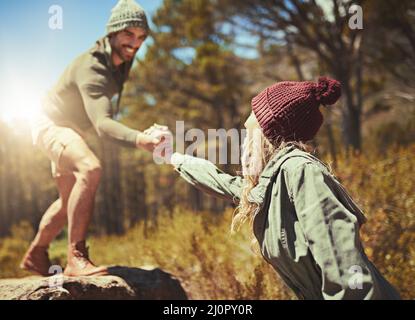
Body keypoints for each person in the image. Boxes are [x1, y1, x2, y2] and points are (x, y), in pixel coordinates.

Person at [153, 77, 401, 299]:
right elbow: (225, 184)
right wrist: (172, 157)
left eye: (251, 124)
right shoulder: (273, 181)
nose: (246, 129)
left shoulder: (302, 172)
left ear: (269, 131)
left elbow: (347, 270)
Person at [21, 0, 161, 277]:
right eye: (129, 34)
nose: (136, 43)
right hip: (51, 123)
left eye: (141, 37)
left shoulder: (119, 62)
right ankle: (76, 257)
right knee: (91, 168)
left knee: (67, 200)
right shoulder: (93, 67)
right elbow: (103, 123)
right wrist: (140, 139)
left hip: (69, 129)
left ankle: (36, 253)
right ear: (113, 32)